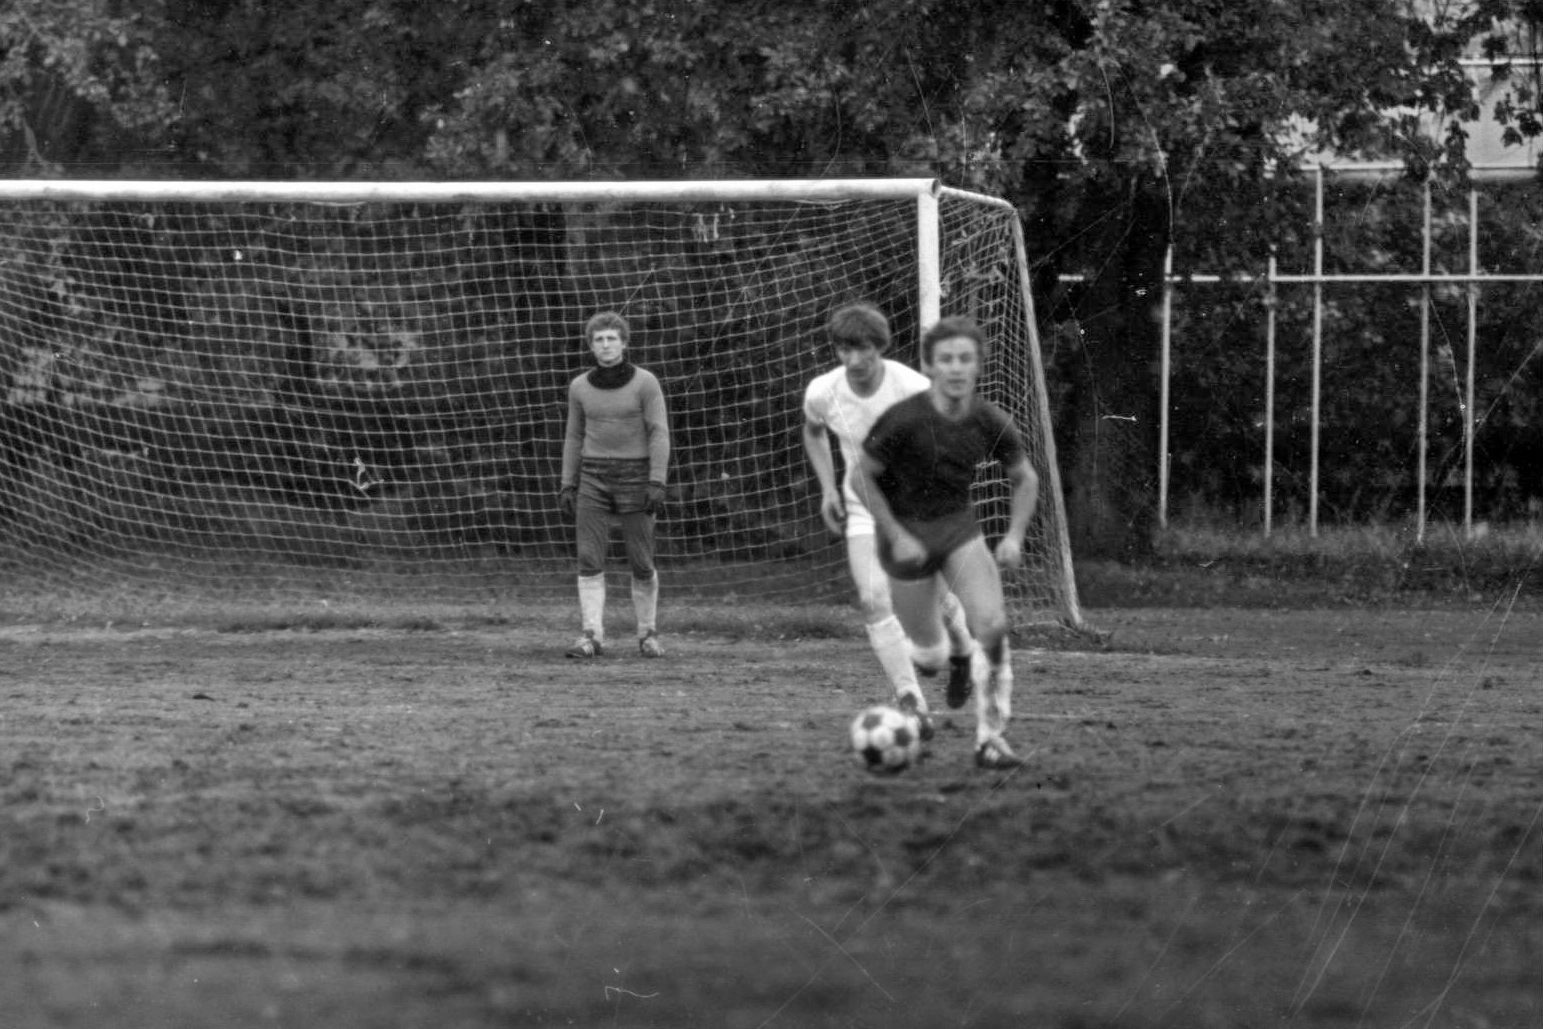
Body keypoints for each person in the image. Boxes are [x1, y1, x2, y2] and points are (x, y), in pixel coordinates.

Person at [855, 315, 1039, 769]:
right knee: (929, 655)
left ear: (978, 366)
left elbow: (1024, 477)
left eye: (965, 359)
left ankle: (991, 739)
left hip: (958, 530)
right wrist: (896, 535)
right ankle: (952, 657)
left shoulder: (988, 419)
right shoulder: (904, 419)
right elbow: (862, 478)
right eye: (946, 360)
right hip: (905, 539)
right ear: (930, 366)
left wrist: (1014, 535)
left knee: (992, 626)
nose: (956, 368)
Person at [802, 302, 978, 738]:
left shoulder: (913, 387)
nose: (854, 360)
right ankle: (911, 701)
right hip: (863, 508)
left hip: (918, 507)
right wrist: (828, 488)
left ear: (880, 347)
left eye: (863, 349)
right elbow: (812, 429)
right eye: (845, 349)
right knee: (874, 600)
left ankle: (963, 655)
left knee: (936, 602)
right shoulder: (823, 391)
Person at [559, 311, 671, 658]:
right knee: (589, 557)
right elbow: (574, 436)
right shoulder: (579, 387)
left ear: (624, 342)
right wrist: (567, 483)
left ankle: (648, 634)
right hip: (593, 477)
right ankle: (591, 635)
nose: (605, 345)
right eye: (598, 339)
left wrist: (657, 479)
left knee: (641, 560)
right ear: (590, 346)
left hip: (636, 477)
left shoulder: (645, 383)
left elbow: (658, 432)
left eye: (611, 338)